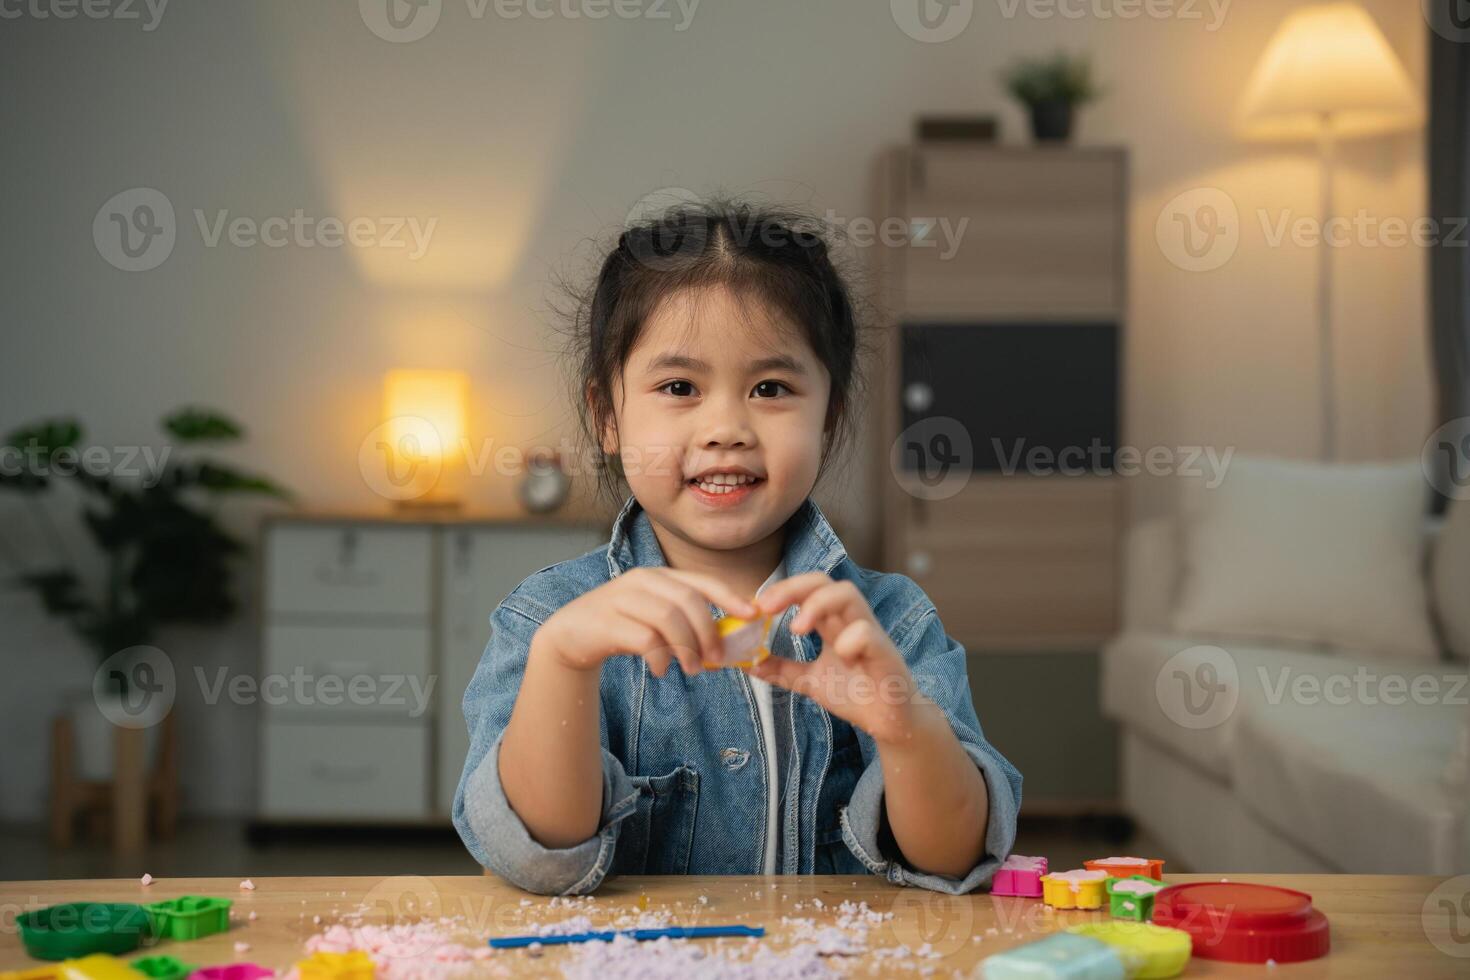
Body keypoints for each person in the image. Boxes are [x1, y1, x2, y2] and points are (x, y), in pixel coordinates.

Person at [453, 200, 1021, 895]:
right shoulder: (549, 621)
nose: (726, 427)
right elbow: (539, 853)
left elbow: (954, 858)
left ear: (829, 416)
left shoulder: (891, 622)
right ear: (607, 416)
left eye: (771, 388)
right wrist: (564, 664)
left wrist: (906, 727)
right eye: (679, 387)